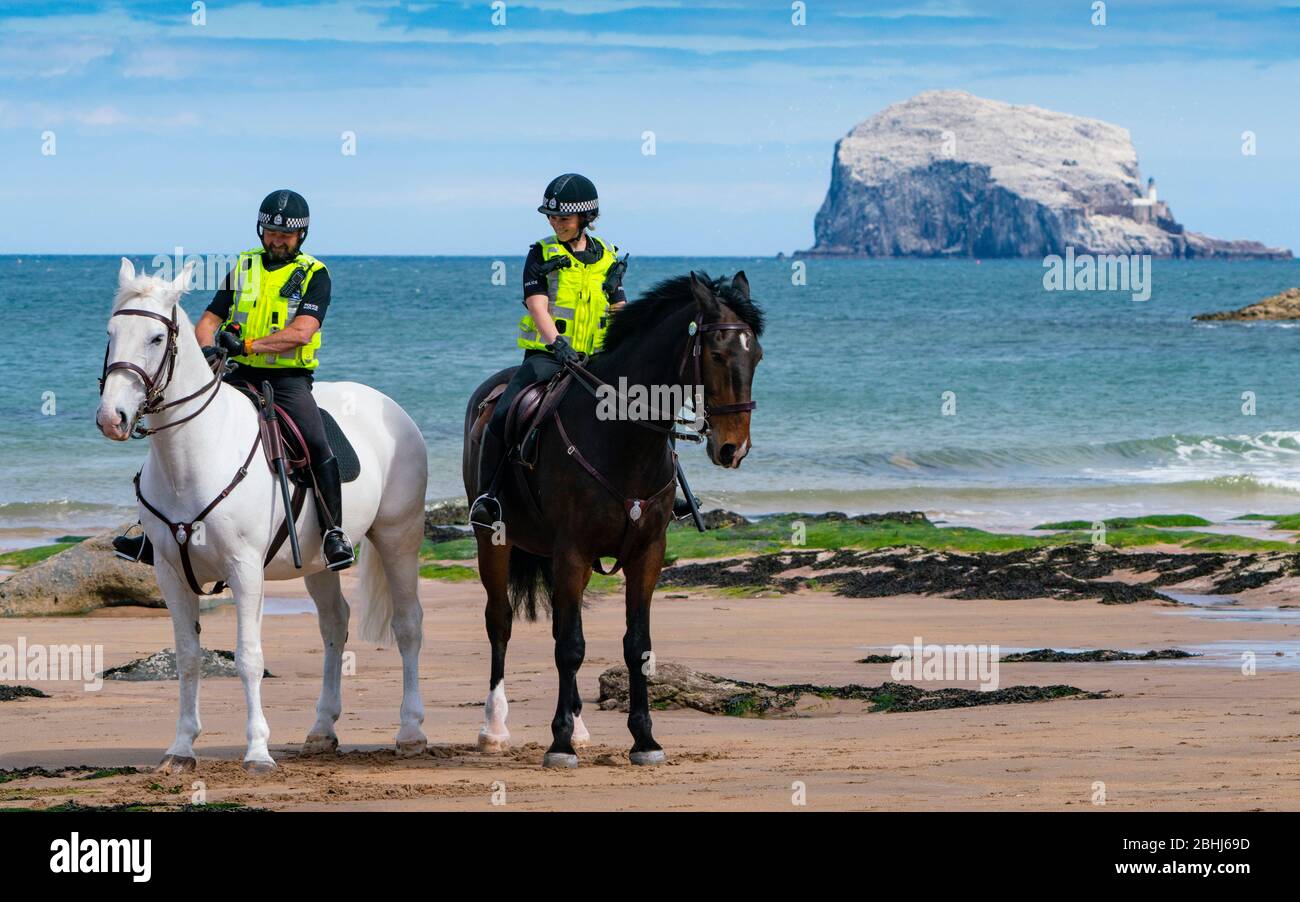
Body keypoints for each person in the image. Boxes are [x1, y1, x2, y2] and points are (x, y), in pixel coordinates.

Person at [113, 189, 355, 571]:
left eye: (285, 235)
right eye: (270, 232)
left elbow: (303, 331)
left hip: (288, 380)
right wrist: (209, 349)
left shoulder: (314, 274)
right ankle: (150, 533)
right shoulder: (242, 266)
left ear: (301, 236)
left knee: (316, 444)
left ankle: (333, 534)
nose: (276, 240)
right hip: (236, 374)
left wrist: (247, 344)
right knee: (176, 430)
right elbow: (209, 320)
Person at [469, 173, 627, 527]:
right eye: (551, 217)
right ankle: (488, 496)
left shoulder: (610, 258)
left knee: (643, 405)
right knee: (502, 414)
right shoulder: (541, 254)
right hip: (548, 357)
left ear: (585, 219)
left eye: (564, 218)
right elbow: (537, 305)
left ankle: (667, 486)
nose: (556, 223)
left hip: (598, 359)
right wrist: (556, 342)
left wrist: (629, 346)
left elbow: (620, 309)